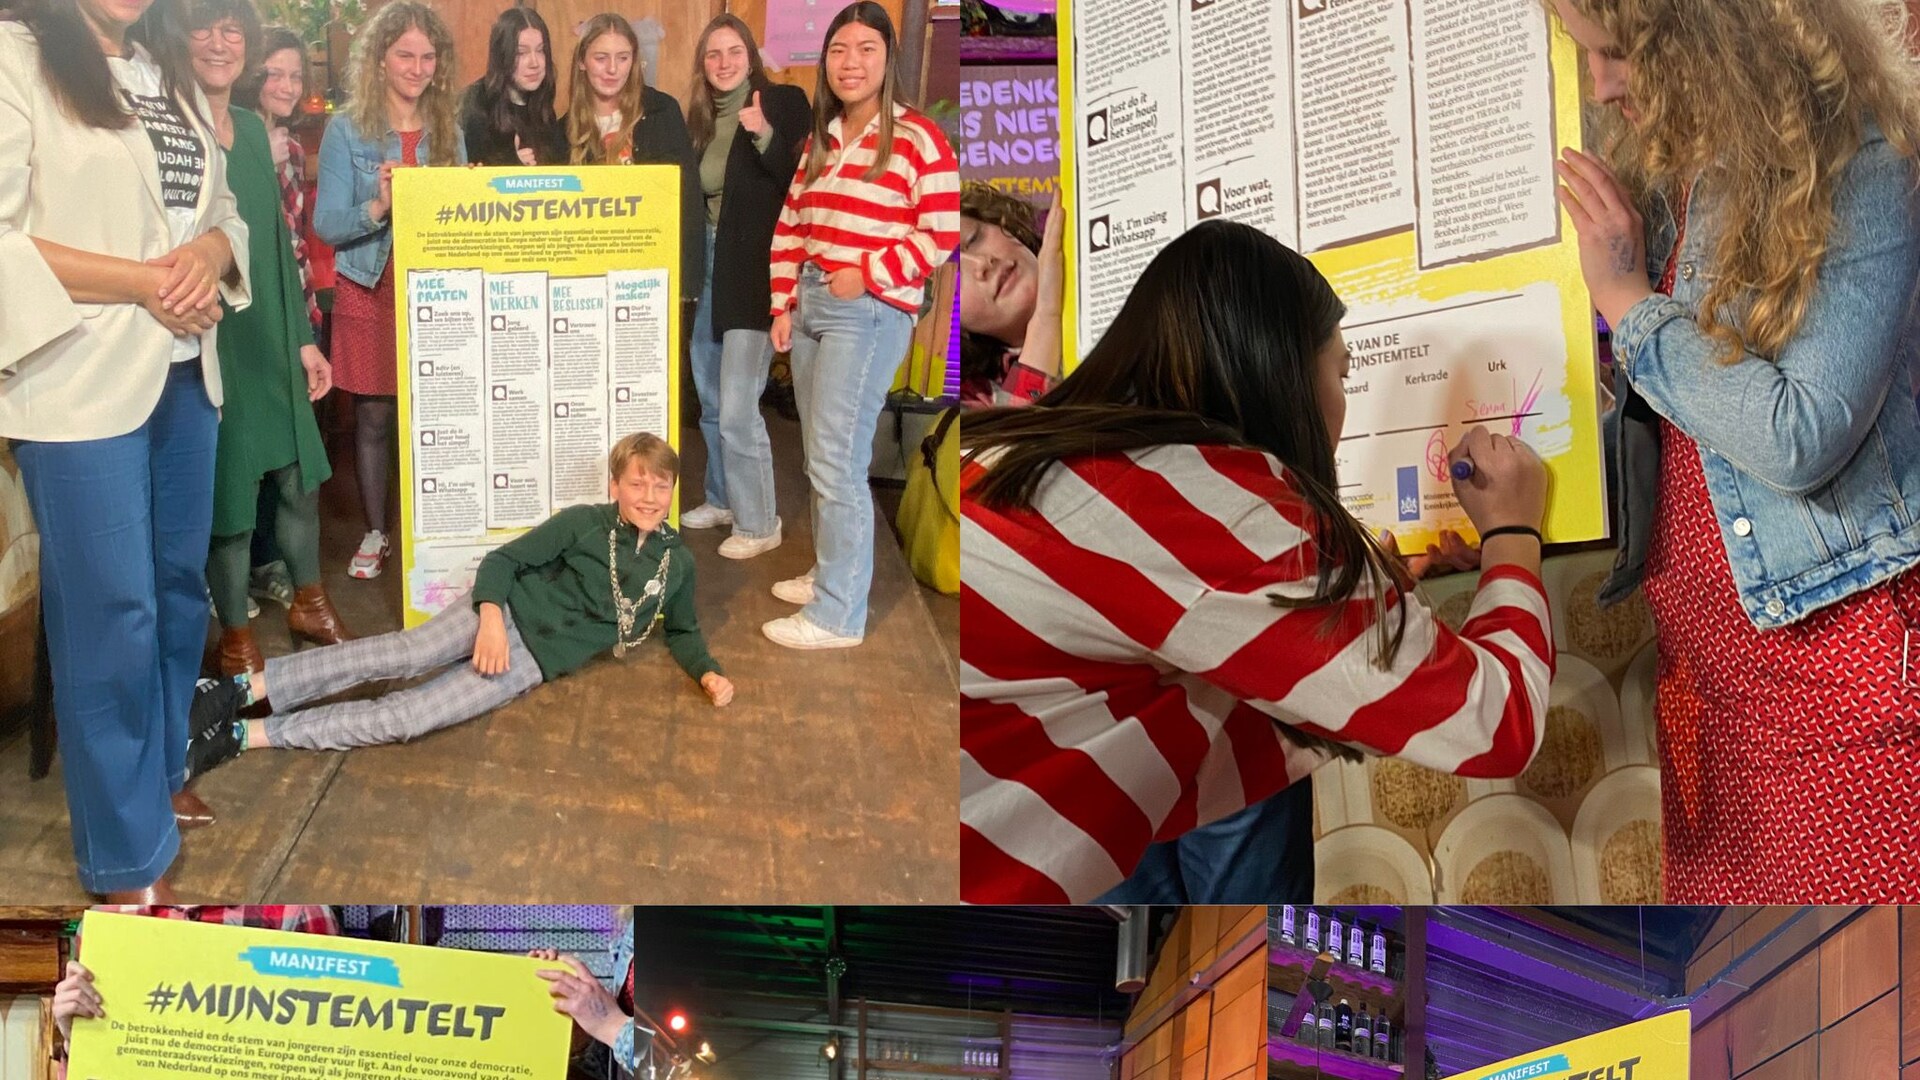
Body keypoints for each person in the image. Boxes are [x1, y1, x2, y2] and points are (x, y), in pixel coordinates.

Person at [959, 221, 1555, 903]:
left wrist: (1355, 612)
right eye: (1342, 371)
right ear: (1285, 374)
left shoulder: (1031, 445)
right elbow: (1498, 721)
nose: (1341, 400)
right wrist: (1513, 528)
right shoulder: (1215, 506)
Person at [1552, 0, 1920, 902]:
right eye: (1584, 55)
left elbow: (1799, 435)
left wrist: (1628, 301)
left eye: (1620, 54)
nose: (1598, 85)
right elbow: (1683, 429)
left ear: (1713, 32)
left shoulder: (1865, 159)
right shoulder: (1679, 172)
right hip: (1712, 700)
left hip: (1845, 697)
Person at [0, 0, 248, 900]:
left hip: (186, 370)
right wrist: (147, 281)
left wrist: (214, 249)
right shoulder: (15, 55)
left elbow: (220, 211)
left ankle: (154, 777)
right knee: (110, 613)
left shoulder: (162, 64)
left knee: (179, 591)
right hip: (78, 377)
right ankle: (123, 855)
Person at [184, 433, 734, 773]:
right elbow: (503, 563)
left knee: (407, 718)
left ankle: (246, 735)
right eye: (638, 484)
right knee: (400, 657)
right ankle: (239, 691)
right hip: (503, 610)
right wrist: (491, 619)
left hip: (530, 664)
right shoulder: (584, 524)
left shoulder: (676, 562)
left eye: (660, 487)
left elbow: (683, 630)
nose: (649, 497)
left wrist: (707, 673)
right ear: (616, 485)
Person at [764, 1, 960, 649]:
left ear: (887, 58)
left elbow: (941, 232)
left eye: (865, 50)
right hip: (816, 304)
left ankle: (838, 614)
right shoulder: (825, 136)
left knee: (836, 461)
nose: (851, 63)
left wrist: (869, 273)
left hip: (868, 311)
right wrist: (784, 303)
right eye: (839, 51)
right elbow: (794, 223)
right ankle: (830, 572)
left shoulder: (915, 139)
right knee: (821, 456)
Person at [184, 0, 349, 681]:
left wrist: (308, 340)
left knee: (296, 479)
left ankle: (310, 603)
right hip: (210, 336)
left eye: (233, 31)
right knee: (229, 499)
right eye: (205, 29)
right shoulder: (172, 123)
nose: (221, 44)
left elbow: (280, 251)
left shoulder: (255, 130)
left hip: (273, 333)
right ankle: (235, 638)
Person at [314, 0, 465, 581]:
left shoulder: (450, 128)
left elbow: (463, 214)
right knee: (375, 417)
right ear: (380, 59)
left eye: (428, 56)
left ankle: (435, 526)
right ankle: (378, 532)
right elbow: (327, 224)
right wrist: (378, 205)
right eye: (405, 54)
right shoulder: (345, 129)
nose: (417, 67)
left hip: (436, 288)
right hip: (369, 286)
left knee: (438, 408)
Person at [678, 14, 809, 559]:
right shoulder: (700, 119)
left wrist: (766, 135)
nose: (724, 62)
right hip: (707, 266)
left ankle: (760, 523)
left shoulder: (783, 102)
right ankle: (723, 498)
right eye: (713, 54)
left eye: (734, 51)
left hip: (757, 272)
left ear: (750, 55)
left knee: (737, 406)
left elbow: (799, 181)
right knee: (709, 398)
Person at [235, 25, 321, 614]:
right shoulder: (228, 138)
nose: (286, 85)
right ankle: (235, 575)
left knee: (289, 451)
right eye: (275, 74)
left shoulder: (288, 146)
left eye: (295, 75)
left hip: (294, 301)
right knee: (243, 450)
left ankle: (268, 565)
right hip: (244, 310)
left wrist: (306, 326)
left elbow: (291, 239)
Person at [564, 13, 704, 307]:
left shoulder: (662, 112)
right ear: (582, 61)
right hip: (587, 285)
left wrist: (688, 285)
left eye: (623, 58)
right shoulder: (561, 131)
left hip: (651, 280)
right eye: (601, 57)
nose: (612, 69)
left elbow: (688, 200)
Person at [958, 181, 1062, 407]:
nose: (982, 263)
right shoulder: (974, 398)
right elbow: (1016, 434)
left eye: (973, 238)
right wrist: (1046, 316)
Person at [459, 4, 565, 167]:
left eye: (540, 50)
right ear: (502, 55)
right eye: (521, 53)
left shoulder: (541, 104)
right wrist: (511, 166)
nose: (534, 63)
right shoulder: (476, 103)